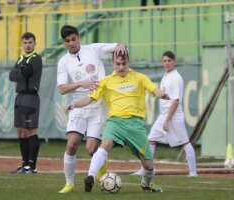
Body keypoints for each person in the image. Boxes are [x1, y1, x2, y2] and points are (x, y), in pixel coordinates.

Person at [66, 51, 169, 193]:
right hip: (115, 122)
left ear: (129, 62)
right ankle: (90, 176)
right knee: (105, 144)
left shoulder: (140, 78)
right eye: (118, 64)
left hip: (135, 124)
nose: (121, 67)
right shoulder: (106, 81)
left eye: (124, 64)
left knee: (149, 166)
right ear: (112, 64)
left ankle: (146, 184)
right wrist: (75, 104)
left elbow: (154, 89)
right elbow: (90, 98)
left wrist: (161, 94)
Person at [57, 25, 126, 193]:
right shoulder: (63, 62)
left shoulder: (93, 50)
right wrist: (81, 83)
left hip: (98, 105)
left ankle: (102, 174)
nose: (71, 43)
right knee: (72, 144)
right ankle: (69, 184)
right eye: (68, 41)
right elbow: (62, 89)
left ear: (79, 37)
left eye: (74, 39)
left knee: (91, 148)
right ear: (64, 42)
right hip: (79, 105)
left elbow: (118, 46)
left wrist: (122, 45)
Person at [133, 51, 197, 177]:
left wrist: (167, 120)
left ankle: (193, 173)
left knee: (185, 142)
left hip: (173, 116)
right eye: (165, 61)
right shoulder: (166, 76)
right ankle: (146, 169)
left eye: (169, 61)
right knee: (150, 140)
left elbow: (176, 101)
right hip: (164, 116)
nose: (167, 63)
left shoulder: (176, 78)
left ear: (174, 62)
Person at [9, 32, 43, 174]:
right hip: (20, 96)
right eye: (25, 42)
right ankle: (24, 164)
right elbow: (12, 76)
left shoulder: (36, 58)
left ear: (35, 43)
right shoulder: (21, 58)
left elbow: (26, 73)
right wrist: (20, 71)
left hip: (30, 97)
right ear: (22, 44)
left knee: (30, 130)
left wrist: (20, 70)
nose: (28, 45)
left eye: (30, 42)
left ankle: (32, 166)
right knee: (21, 131)